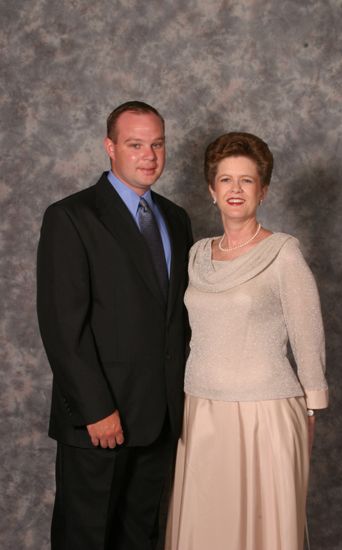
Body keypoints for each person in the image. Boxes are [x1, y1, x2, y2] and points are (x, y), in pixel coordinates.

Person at [37, 100, 193, 550]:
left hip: (160, 418)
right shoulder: (72, 217)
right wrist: (95, 410)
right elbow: (63, 327)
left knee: (139, 537)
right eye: (135, 144)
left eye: (157, 144)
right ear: (110, 147)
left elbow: (175, 322)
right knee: (85, 537)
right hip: (99, 421)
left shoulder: (176, 219)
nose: (149, 156)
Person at [165, 132, 328, 550]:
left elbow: (308, 337)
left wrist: (312, 409)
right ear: (211, 190)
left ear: (264, 190)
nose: (235, 190)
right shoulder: (196, 254)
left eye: (247, 181)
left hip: (265, 414)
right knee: (207, 530)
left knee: (261, 531)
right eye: (225, 180)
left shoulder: (283, 253)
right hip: (200, 410)